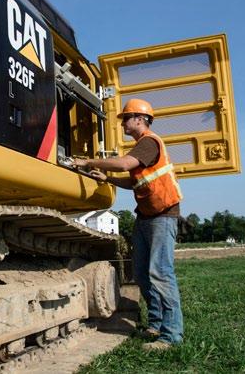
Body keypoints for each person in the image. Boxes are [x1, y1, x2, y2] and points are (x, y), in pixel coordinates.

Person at [72, 98, 183, 351]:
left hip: (163, 216)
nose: (122, 123)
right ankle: (156, 323)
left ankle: (172, 335)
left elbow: (124, 163)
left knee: (161, 273)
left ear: (140, 119)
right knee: (143, 274)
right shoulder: (142, 148)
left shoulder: (149, 142)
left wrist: (89, 162)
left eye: (126, 118)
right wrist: (108, 178)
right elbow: (134, 181)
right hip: (146, 217)